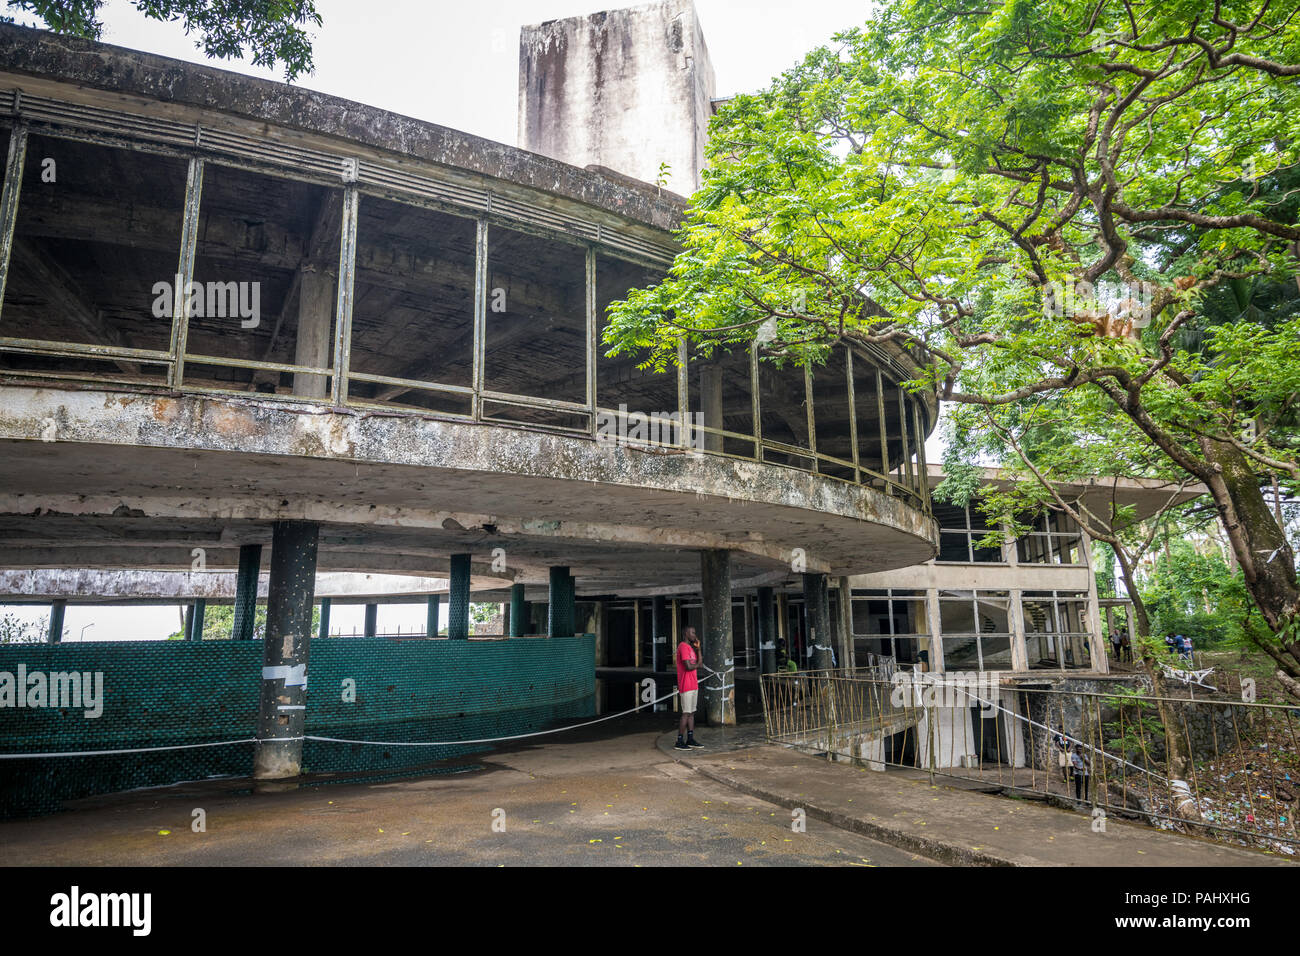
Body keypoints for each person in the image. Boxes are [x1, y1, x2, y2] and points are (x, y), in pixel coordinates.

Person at [674, 625, 704, 751]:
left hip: (693, 684)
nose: (694, 635)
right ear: (686, 633)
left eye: (695, 632)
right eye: (692, 633)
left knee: (691, 713)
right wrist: (697, 664)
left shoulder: (691, 649)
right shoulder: (683, 647)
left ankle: (690, 739)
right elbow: (688, 667)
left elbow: (700, 664)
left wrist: (698, 649)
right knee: (685, 714)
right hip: (686, 685)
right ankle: (679, 741)